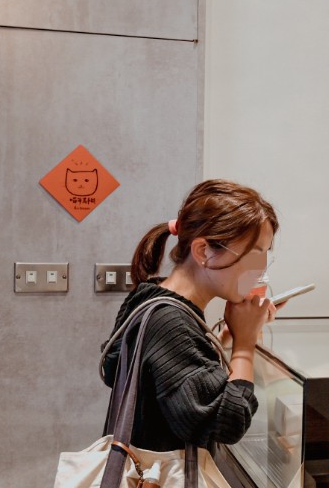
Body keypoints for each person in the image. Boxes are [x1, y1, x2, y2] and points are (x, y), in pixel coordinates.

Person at [101, 178, 280, 452]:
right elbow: (227, 423)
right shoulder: (171, 322)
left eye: (265, 257)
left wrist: (226, 338)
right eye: (254, 256)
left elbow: (171, 383)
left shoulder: (151, 297)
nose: (260, 270)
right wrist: (245, 346)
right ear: (203, 251)